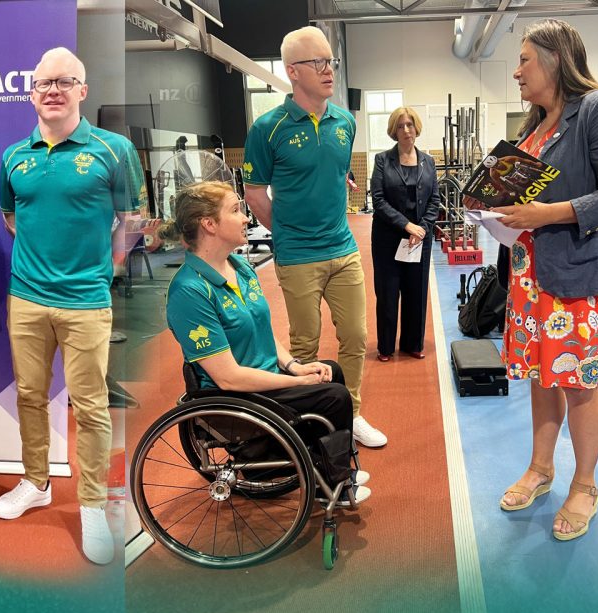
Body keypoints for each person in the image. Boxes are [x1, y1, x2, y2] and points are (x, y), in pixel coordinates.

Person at [0, 47, 145, 565]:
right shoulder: (14, 156)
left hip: (86, 301)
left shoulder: (113, 149)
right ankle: (36, 482)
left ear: (82, 89)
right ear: (31, 93)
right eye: (43, 83)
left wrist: (107, 267)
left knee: (92, 406)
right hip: (26, 298)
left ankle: (92, 505)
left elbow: (132, 218)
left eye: (64, 81)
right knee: (30, 396)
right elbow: (12, 217)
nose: (53, 90)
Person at [159, 181, 370, 501]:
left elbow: (262, 330)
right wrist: (298, 383)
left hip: (263, 377)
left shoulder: (241, 267)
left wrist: (294, 366)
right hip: (237, 395)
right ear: (209, 224)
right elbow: (228, 378)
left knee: (331, 371)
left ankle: (331, 468)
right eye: (235, 210)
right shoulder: (189, 292)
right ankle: (328, 482)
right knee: (333, 396)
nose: (246, 218)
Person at [495, 19, 598, 541]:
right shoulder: (536, 127)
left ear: (554, 59)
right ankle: (541, 468)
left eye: (525, 59)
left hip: (577, 275)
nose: (517, 71)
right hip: (531, 276)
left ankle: (585, 485)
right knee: (540, 375)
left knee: (577, 380)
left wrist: (546, 214)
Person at [242, 26, 386, 448]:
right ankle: (305, 422)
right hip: (298, 256)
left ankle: (351, 414)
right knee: (304, 345)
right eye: (318, 62)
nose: (329, 71)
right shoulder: (267, 129)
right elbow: (254, 193)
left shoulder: (345, 122)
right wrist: (288, 233)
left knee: (355, 337)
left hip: (343, 249)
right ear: (293, 72)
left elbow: (337, 171)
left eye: (331, 61)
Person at [370, 107, 441, 361]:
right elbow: (378, 200)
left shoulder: (428, 161)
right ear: (394, 131)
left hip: (419, 238)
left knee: (416, 291)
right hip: (388, 238)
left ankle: (413, 343)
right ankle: (386, 346)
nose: (406, 130)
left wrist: (422, 228)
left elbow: (435, 200)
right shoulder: (382, 160)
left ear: (416, 127)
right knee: (388, 293)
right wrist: (406, 225)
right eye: (400, 126)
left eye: (410, 124)